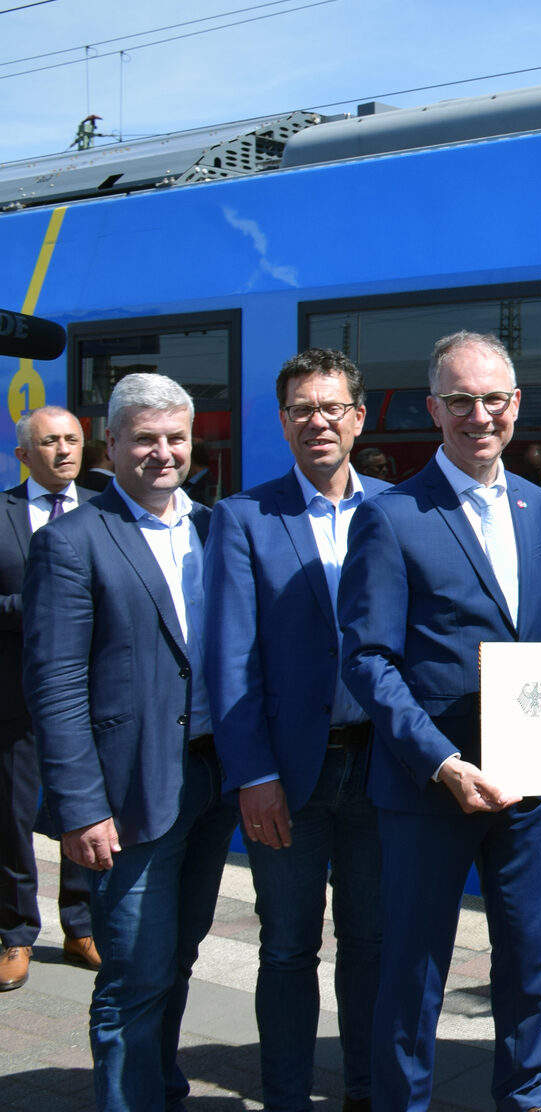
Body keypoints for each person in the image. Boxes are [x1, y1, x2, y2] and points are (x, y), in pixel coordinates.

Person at [337, 331, 541, 1112]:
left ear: (516, 404)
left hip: (528, 772)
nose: (478, 416)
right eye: (459, 401)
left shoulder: (537, 505)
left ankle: (524, 1098)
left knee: (530, 958)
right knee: (415, 968)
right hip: (431, 785)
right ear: (433, 409)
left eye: (492, 400)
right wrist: (442, 762)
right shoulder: (391, 516)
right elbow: (368, 660)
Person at [23, 373, 238, 1111]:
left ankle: (162, 1089)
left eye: (176, 438)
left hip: (213, 779)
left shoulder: (215, 528)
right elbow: (55, 685)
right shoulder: (70, 541)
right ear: (109, 445)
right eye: (145, 439)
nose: (163, 452)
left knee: (178, 956)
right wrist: (81, 807)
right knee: (134, 974)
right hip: (130, 790)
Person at [204, 348, 390, 1112]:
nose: (318, 421)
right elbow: (230, 658)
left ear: (359, 417)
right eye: (301, 409)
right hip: (287, 776)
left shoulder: (397, 508)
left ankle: (366, 1091)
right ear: (282, 422)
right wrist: (252, 776)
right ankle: (285, 1096)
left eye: (331, 407)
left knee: (372, 945)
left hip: (379, 770)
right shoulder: (243, 518)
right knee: (286, 948)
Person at [1, 406, 98, 992]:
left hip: (89, 695)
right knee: (12, 819)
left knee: (83, 809)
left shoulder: (106, 509)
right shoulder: (3, 512)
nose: (63, 450)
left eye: (72, 439)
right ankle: (15, 933)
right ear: (23, 455)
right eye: (49, 442)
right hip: (15, 696)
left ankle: (81, 926)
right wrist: (36, 603)